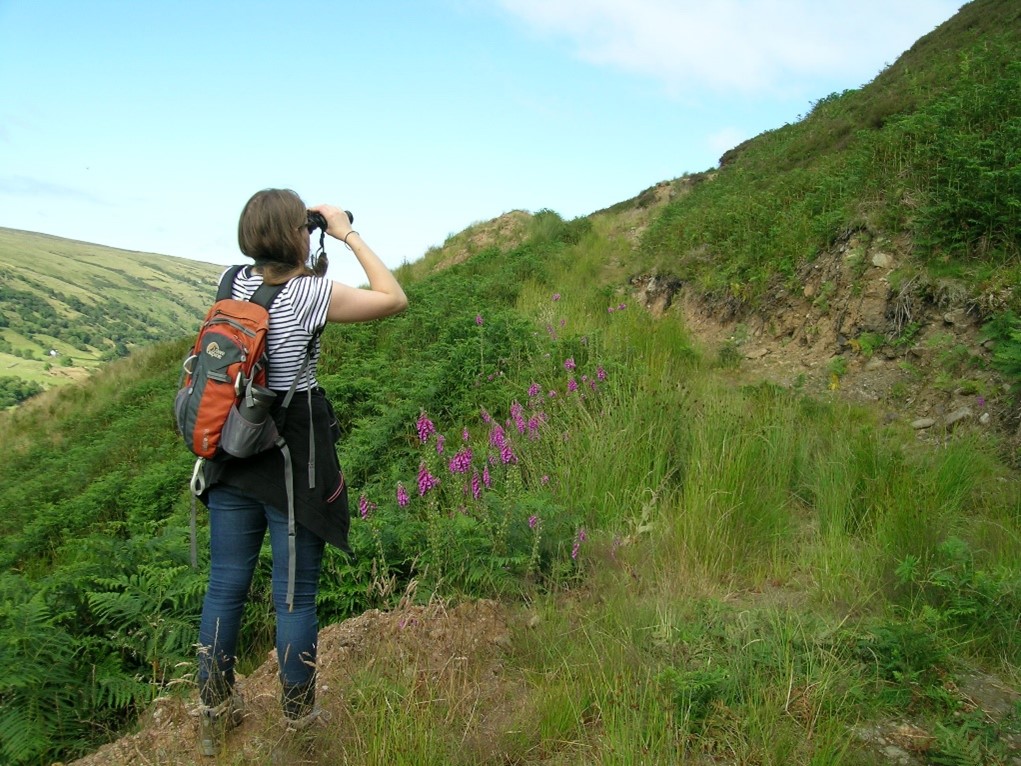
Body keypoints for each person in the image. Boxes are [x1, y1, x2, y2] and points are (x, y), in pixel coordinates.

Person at [194, 188, 408, 756]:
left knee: (225, 586)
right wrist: (342, 231)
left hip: (232, 452)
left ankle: (213, 712)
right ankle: (298, 719)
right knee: (294, 596)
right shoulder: (311, 293)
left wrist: (302, 233)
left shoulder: (229, 282)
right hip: (293, 455)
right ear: (298, 233)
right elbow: (393, 298)